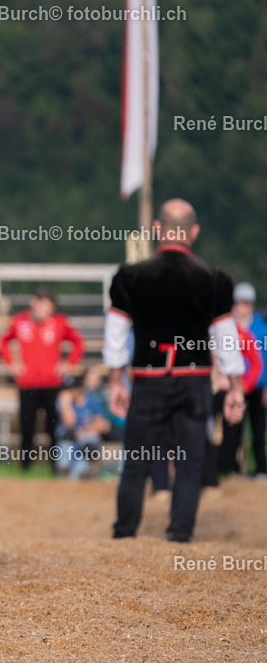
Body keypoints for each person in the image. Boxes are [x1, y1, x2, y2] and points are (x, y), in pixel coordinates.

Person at [105, 199, 245, 543]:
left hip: (148, 378)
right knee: (190, 461)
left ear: (158, 229)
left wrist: (116, 381)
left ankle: (124, 533)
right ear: (193, 232)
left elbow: (116, 334)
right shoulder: (214, 278)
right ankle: (179, 533)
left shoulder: (130, 276)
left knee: (136, 460)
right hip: (194, 380)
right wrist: (236, 388)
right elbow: (226, 339)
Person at [0, 288, 85, 470]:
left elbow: (78, 342)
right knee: (26, 425)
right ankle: (25, 466)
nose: (47, 310)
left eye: (50, 307)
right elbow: (3, 341)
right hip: (27, 383)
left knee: (53, 426)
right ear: (34, 303)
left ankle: (55, 465)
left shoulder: (60, 322)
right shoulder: (19, 321)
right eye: (45, 306)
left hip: (52, 383)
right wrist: (12, 364)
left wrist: (68, 364)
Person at [223, 282, 267, 477]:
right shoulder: (226, 327)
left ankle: (260, 469)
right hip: (233, 386)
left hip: (257, 386)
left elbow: (262, 361)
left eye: (247, 303)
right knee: (232, 428)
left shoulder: (262, 328)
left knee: (258, 430)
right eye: (240, 302)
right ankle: (229, 469)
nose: (243, 306)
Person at [54, 369, 110, 480]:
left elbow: (103, 425)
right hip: (72, 440)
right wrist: (66, 405)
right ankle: (64, 470)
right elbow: (69, 424)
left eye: (72, 389)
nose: (69, 392)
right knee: (66, 435)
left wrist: (84, 432)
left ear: (79, 389)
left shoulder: (92, 401)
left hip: (86, 440)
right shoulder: (65, 402)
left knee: (88, 443)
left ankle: (80, 472)